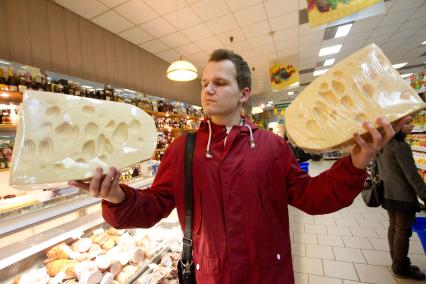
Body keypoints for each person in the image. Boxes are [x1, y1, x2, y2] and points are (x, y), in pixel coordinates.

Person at [70, 49, 409, 284]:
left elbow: (313, 197)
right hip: (210, 275)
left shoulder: (271, 147)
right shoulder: (183, 149)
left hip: (270, 276)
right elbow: (153, 206)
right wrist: (117, 197)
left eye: (220, 83)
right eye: (204, 83)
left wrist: (355, 163)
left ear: (244, 93)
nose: (208, 90)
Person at [377, 119, 426, 280]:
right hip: (403, 196)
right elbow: (412, 175)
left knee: (394, 226)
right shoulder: (401, 147)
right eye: (407, 123)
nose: (411, 126)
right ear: (396, 127)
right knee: (403, 230)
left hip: (388, 194)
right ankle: (401, 266)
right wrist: (424, 194)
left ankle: (396, 261)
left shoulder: (383, 145)